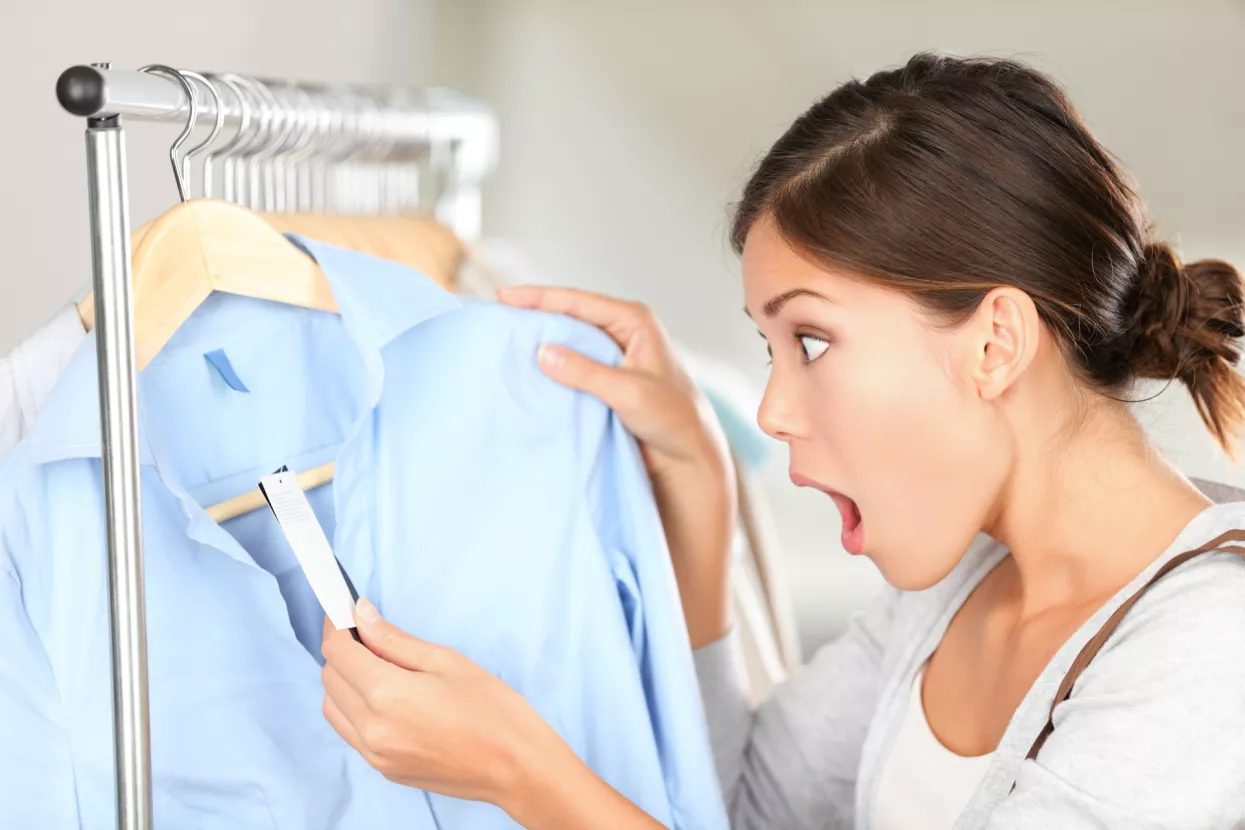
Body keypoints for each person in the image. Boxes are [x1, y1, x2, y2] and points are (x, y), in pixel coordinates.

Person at [319, 52, 1245, 829]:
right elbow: (746, 806)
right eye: (770, 350)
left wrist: (521, 774)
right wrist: (697, 478)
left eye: (809, 340)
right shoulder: (962, 587)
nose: (771, 410)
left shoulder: (1212, 645)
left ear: (995, 343)